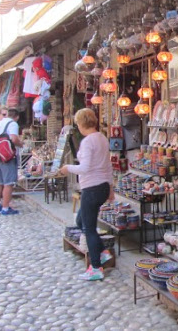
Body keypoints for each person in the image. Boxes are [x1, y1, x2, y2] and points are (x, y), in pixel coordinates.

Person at [59, 108, 114, 281]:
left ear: (81, 124)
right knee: (81, 220)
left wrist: (67, 168)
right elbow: (108, 166)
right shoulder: (102, 138)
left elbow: (85, 168)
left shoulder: (88, 141)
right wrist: (110, 188)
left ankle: (96, 267)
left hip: (92, 187)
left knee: (88, 228)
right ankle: (103, 252)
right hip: (102, 186)